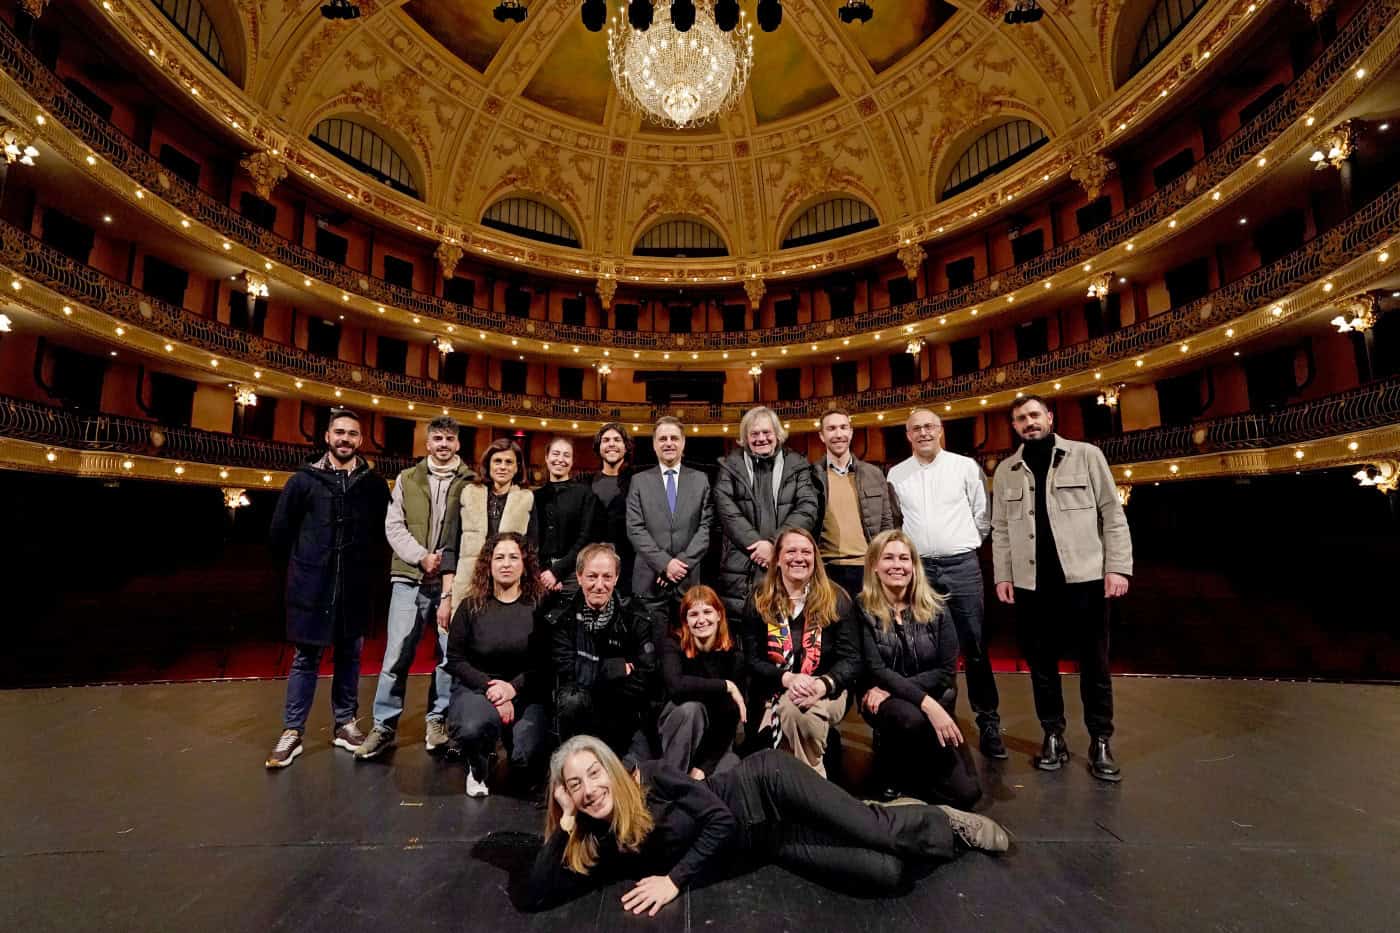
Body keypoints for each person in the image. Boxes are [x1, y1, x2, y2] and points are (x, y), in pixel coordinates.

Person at [523, 735, 1009, 914]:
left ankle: (943, 820)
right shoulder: (595, 835)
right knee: (886, 874)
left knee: (874, 829)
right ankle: (886, 813)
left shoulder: (650, 778)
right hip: (766, 840)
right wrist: (565, 822)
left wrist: (673, 881)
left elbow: (719, 819)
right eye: (575, 784)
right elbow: (535, 896)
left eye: (594, 774)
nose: (590, 789)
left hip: (766, 787)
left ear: (610, 769)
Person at [991, 394, 1133, 782]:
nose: (1029, 422)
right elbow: (1000, 529)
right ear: (1014, 426)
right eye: (1020, 418)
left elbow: (1112, 513)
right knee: (1041, 665)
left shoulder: (1086, 456)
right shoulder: (1006, 470)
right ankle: (1053, 735)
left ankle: (1100, 740)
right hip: (1032, 584)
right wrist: (1003, 574)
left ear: (1050, 417)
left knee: (1095, 664)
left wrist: (1117, 568)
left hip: (1084, 579)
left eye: (1034, 414)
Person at [265, 409, 390, 768]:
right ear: (327, 436)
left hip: (355, 587)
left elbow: (383, 535)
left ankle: (345, 725)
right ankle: (292, 731)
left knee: (351, 656)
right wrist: (297, 572)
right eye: (339, 432)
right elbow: (279, 533)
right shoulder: (303, 481)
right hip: (311, 585)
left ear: (360, 440)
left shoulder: (373, 485)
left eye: (352, 433)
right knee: (306, 659)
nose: (345, 439)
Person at [886, 408, 1006, 761]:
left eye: (929, 426)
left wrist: (962, 542)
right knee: (926, 651)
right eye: (916, 428)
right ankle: (938, 721)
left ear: (940, 430)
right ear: (908, 435)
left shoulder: (964, 466)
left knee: (975, 647)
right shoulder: (896, 474)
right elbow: (897, 520)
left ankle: (988, 722)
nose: (923, 432)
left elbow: (982, 515)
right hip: (919, 570)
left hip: (961, 565)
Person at [354, 416, 474, 761]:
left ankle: (437, 721)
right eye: (437, 438)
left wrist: (445, 564)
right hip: (410, 577)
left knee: (448, 657)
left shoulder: (470, 481)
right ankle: (384, 726)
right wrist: (421, 557)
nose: (443, 444)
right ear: (427, 443)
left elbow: (471, 530)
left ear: (458, 444)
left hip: (451, 582)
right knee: (396, 655)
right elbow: (394, 527)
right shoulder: (408, 478)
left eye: (449, 439)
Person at [857, 530, 981, 809]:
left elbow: (945, 671)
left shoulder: (937, 607)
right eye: (888, 558)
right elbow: (876, 669)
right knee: (909, 716)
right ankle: (891, 763)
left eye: (904, 558)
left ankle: (914, 768)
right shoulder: (862, 608)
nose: (897, 565)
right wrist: (927, 704)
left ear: (914, 566)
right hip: (888, 705)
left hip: (926, 698)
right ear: (874, 565)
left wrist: (926, 702)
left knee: (967, 793)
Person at [740, 526, 861, 776]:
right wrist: (788, 679)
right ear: (777, 559)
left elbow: (851, 660)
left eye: (806, 552)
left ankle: (809, 787)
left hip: (828, 688)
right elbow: (752, 660)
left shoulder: (836, 598)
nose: (799, 558)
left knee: (797, 711)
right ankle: (812, 784)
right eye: (791, 551)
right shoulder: (759, 599)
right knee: (786, 721)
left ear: (815, 559)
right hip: (773, 688)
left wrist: (822, 685)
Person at [443, 532, 550, 798]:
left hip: (525, 690)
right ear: (488, 565)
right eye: (499, 557)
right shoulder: (470, 606)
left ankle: (514, 748)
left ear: (524, 564)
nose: (506, 564)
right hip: (478, 688)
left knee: (527, 757)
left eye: (514, 557)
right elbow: (455, 659)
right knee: (472, 728)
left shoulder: (539, 606)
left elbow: (546, 661)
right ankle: (477, 766)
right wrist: (492, 688)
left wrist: (512, 689)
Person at [548, 543, 659, 757]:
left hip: (623, 713)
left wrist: (591, 674)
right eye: (592, 576)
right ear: (579, 577)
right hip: (580, 713)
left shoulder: (636, 615)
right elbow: (567, 672)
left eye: (607, 577)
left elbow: (646, 677)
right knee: (572, 699)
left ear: (616, 578)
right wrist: (615, 669)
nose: (599, 585)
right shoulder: (562, 617)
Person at [714, 406, 819, 619]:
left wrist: (774, 545)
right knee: (744, 629)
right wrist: (757, 545)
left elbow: (807, 508)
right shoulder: (729, 466)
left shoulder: (798, 465)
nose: (761, 438)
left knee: (784, 628)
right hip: (741, 564)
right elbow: (726, 510)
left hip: (786, 560)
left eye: (766, 432)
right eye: (754, 434)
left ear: (777, 434)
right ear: (745, 437)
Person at [625, 416, 712, 628]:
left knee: (689, 644)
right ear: (654, 445)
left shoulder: (701, 479)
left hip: (688, 581)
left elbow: (705, 528)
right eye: (662, 439)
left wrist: (680, 564)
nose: (669, 443)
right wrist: (665, 564)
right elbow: (635, 529)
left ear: (683, 443)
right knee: (650, 644)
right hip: (649, 582)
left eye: (674, 438)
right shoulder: (639, 481)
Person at [656, 585, 746, 780]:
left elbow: (729, 718)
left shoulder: (734, 656)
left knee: (730, 766)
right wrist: (726, 686)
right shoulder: (673, 644)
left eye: (707, 612)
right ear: (685, 620)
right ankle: (671, 784)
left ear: (719, 615)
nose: (701, 620)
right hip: (678, 729)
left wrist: (702, 767)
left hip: (714, 739)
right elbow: (676, 686)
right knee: (692, 709)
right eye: (694, 614)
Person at [810, 408, 897, 599]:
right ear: (822, 436)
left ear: (851, 432)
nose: (838, 434)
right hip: (826, 569)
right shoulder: (810, 476)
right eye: (831, 428)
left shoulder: (874, 474)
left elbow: (886, 523)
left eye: (843, 427)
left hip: (867, 567)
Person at [449, 438, 535, 612]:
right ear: (488, 464)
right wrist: (446, 595)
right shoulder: (468, 493)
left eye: (509, 462)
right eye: (497, 461)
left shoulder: (527, 499)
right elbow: (451, 546)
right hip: (469, 580)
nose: (503, 467)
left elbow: (532, 548)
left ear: (517, 467)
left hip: (508, 584)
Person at [532, 436, 602, 595]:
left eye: (566, 455)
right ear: (546, 457)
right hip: (540, 574)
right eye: (555, 454)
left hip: (573, 573)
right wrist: (545, 572)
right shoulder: (535, 496)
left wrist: (557, 571)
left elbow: (586, 538)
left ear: (572, 461)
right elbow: (532, 539)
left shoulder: (585, 494)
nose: (560, 460)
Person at [581, 422, 636, 594]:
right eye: (606, 440)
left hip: (629, 567)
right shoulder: (584, 482)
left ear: (626, 447)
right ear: (599, 447)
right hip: (592, 566)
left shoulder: (638, 481)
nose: (611, 444)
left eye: (617, 440)